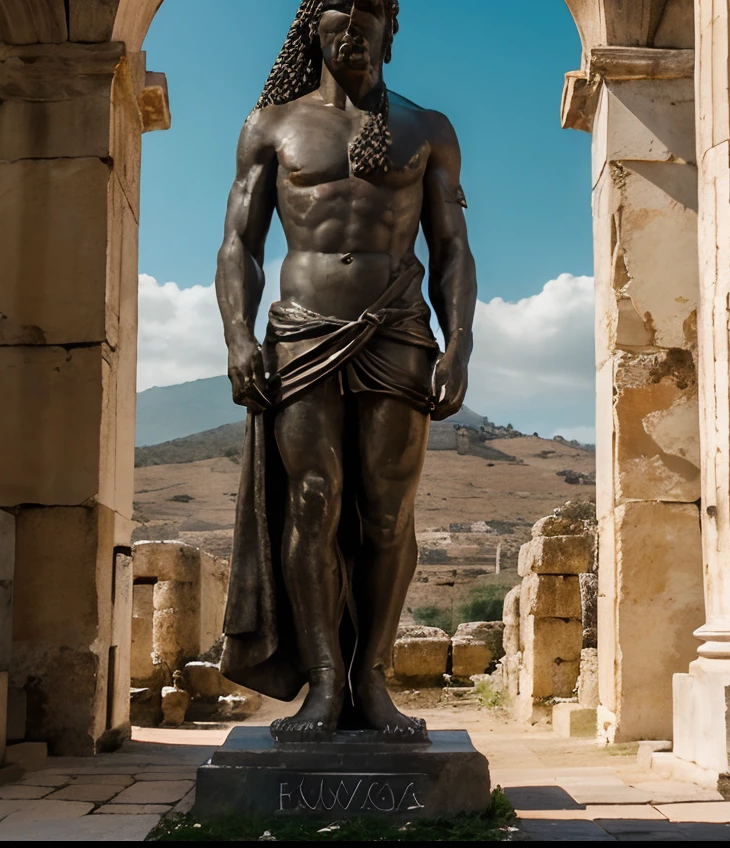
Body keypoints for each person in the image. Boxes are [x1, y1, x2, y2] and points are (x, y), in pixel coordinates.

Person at [214, 0, 477, 741]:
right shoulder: (270, 126)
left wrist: (459, 343)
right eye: (337, 18)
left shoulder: (428, 128)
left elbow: (452, 246)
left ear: (393, 28)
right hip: (301, 330)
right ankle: (325, 680)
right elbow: (240, 242)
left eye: (369, 18)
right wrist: (238, 336)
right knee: (315, 499)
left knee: (388, 512)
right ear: (313, 30)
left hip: (398, 328)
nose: (353, 33)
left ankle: (372, 675)